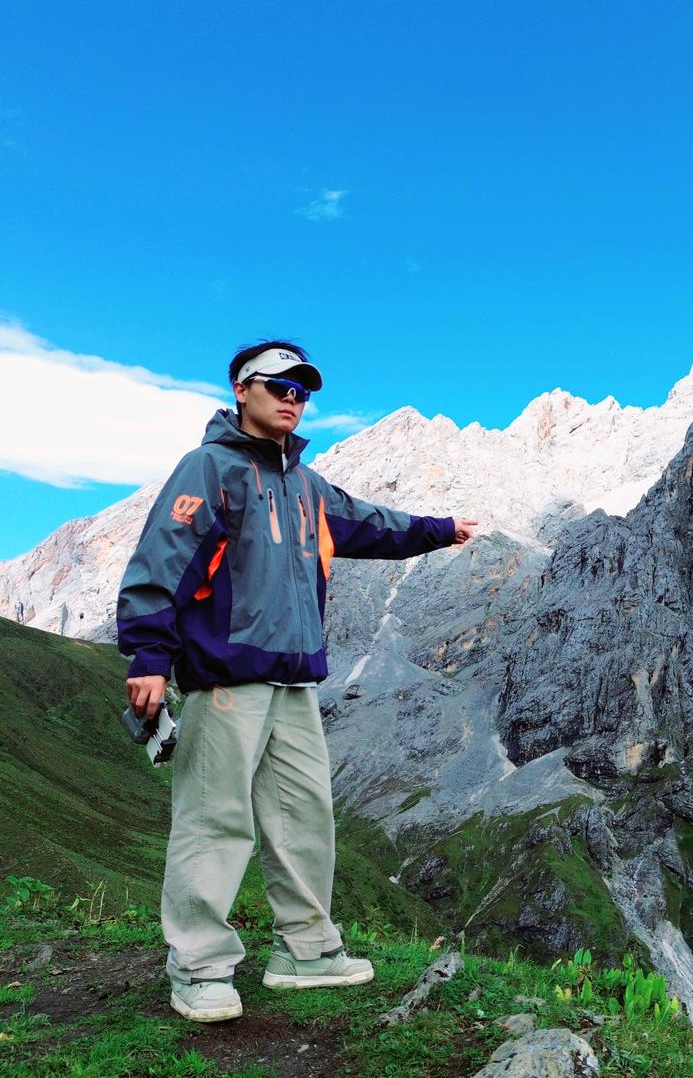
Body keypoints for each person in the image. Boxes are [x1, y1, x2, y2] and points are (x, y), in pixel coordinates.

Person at [117, 340, 476, 1023]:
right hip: (226, 678)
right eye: (278, 385)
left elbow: (371, 523)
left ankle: (306, 951)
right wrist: (148, 658)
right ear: (241, 389)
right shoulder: (209, 470)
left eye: (302, 389)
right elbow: (159, 562)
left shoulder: (305, 485)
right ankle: (198, 967)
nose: (292, 398)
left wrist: (438, 530)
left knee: (305, 818)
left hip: (294, 682)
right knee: (215, 821)